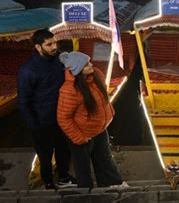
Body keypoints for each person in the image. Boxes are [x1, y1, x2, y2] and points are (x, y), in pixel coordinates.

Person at [57, 51, 128, 189]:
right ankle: (86, 191)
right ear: (77, 70)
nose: (91, 64)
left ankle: (112, 184)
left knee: (104, 158)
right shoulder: (69, 90)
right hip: (83, 134)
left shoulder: (96, 74)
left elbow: (103, 99)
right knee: (82, 166)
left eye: (89, 61)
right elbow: (63, 118)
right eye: (86, 64)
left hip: (100, 129)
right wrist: (79, 138)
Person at [17, 29, 76, 190]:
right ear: (38, 47)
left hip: (62, 117)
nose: (54, 47)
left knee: (64, 151)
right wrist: (34, 125)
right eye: (49, 44)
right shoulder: (28, 71)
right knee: (45, 155)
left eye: (55, 42)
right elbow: (23, 102)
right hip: (42, 121)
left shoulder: (59, 60)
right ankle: (48, 183)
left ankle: (64, 177)